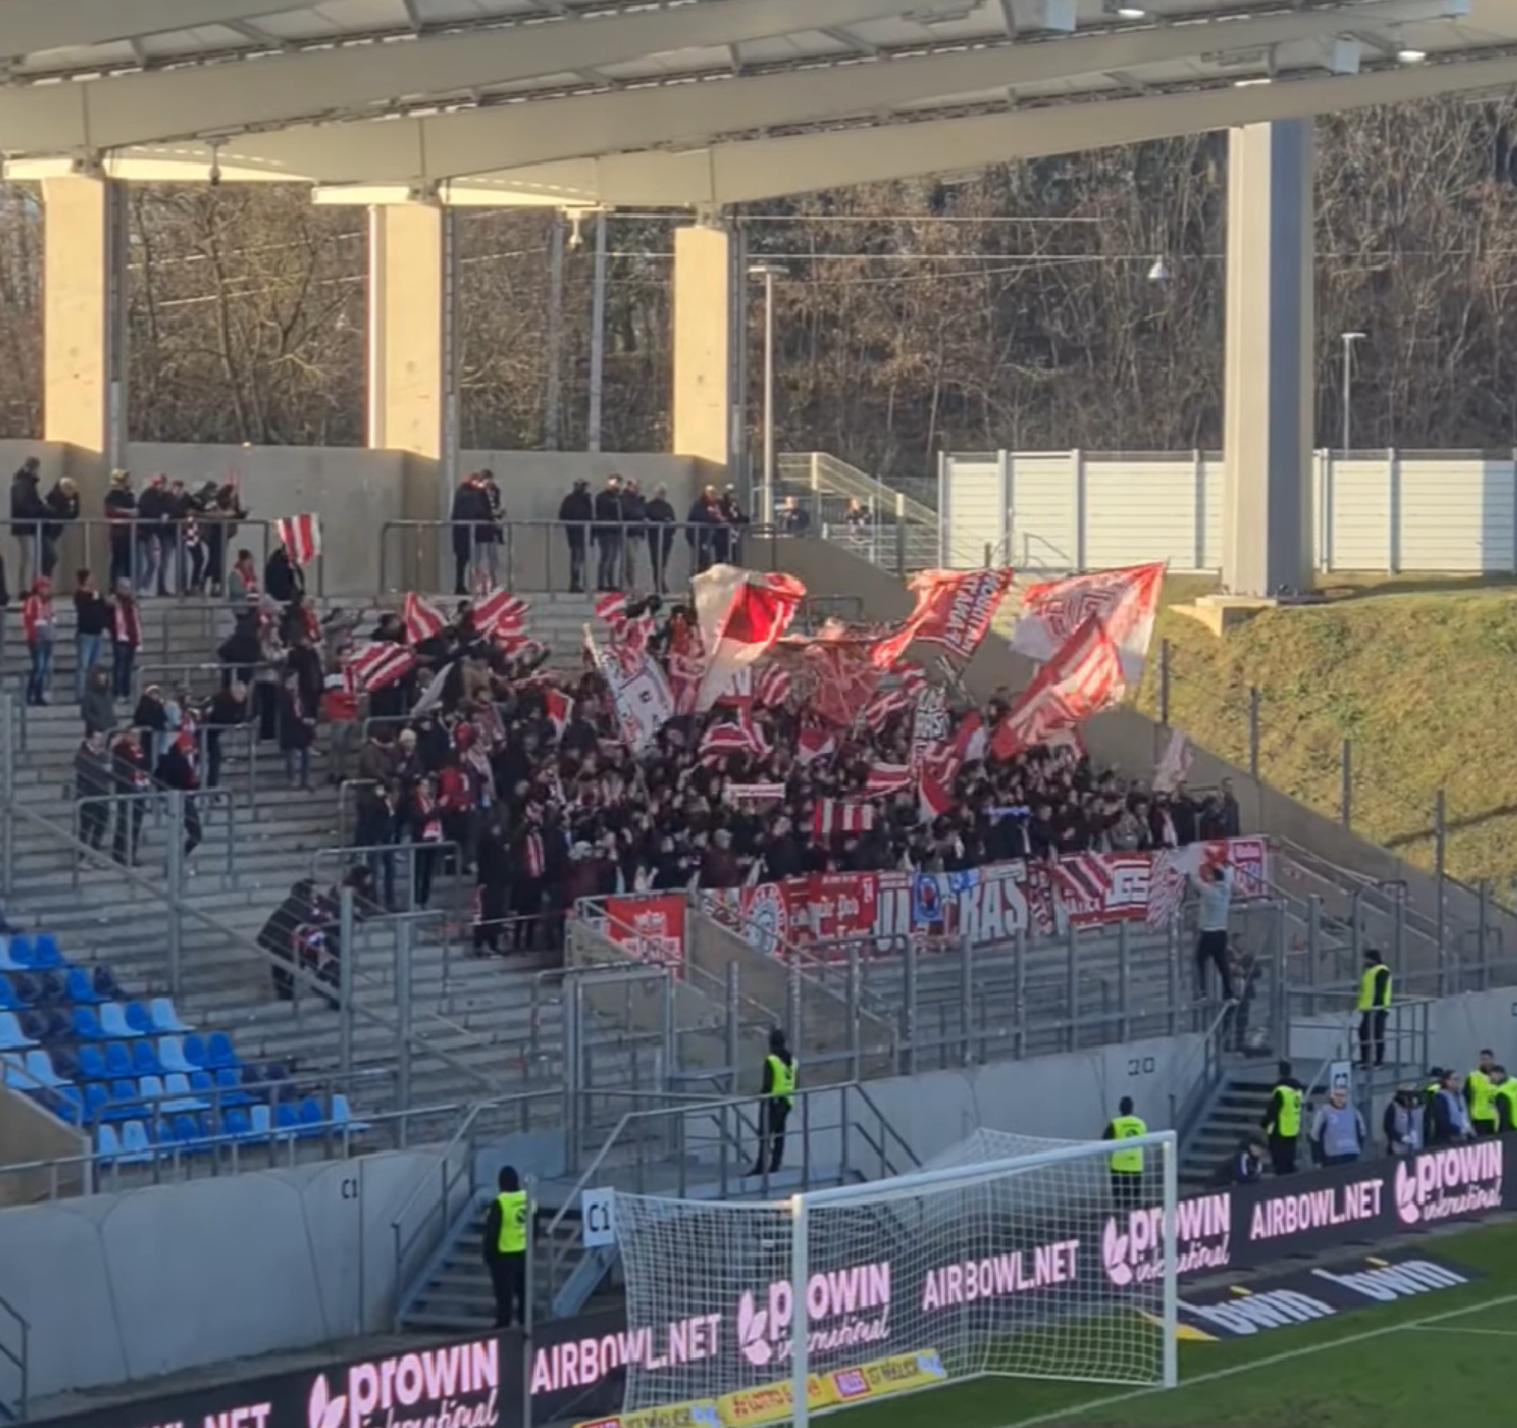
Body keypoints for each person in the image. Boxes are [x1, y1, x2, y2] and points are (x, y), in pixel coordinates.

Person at [481, 1166, 529, 1328]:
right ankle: (525, 1324)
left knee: (504, 1296)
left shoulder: (500, 1203)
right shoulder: (528, 1198)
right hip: (524, 1254)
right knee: (523, 1293)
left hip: (503, 1256)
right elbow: (535, 1224)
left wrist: (488, 1255)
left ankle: (503, 1328)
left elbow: (492, 1233)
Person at [750, 1027, 796, 1177]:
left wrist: (761, 1097)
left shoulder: (772, 1060)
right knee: (779, 1135)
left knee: (765, 1135)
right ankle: (775, 1165)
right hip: (787, 1101)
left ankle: (760, 1166)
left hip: (773, 1102)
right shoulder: (793, 1061)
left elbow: (768, 1084)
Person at [1191, 860, 1234, 1001]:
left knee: (1199, 960)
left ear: (1213, 878)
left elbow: (1195, 881)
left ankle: (1202, 991)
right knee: (1222, 963)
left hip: (1209, 932)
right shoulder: (1226, 890)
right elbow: (1228, 875)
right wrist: (1220, 864)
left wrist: (1193, 867)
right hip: (1222, 932)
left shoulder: (1209, 891)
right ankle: (1229, 992)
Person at [109, 727, 149, 866]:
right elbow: (120, 769)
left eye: (138, 735)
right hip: (126, 788)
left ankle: (131, 853)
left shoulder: (140, 749)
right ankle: (119, 852)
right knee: (124, 822)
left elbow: (146, 765)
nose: (136, 738)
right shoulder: (121, 749)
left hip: (140, 788)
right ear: (126, 735)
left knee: (136, 823)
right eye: (133, 735)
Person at [1102, 1095, 1147, 1210]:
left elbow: (1105, 1139)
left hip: (1119, 1167)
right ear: (1132, 1108)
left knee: (1120, 1199)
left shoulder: (1115, 1123)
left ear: (1120, 1109)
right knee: (1134, 1200)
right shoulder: (1141, 1123)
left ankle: (1121, 1221)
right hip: (1136, 1166)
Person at [1260, 1059, 1304, 1175]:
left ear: (1279, 1073)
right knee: (1289, 1162)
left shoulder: (1280, 1090)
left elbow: (1273, 1111)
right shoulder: (1298, 1090)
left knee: (1279, 1163)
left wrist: (1264, 1123)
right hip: (1293, 1129)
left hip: (1279, 1130)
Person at [72, 569, 109, 705]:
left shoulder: (97, 594)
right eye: (89, 577)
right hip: (85, 633)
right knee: (83, 664)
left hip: (97, 632)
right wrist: (94, 598)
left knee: (95, 666)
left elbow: (103, 606)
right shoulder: (79, 595)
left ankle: (94, 692)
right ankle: (81, 694)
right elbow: (84, 607)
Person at [450, 472, 489, 596]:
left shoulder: (462, 492)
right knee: (465, 560)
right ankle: (465, 585)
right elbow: (477, 510)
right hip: (465, 532)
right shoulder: (469, 494)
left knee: (462, 561)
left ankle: (461, 584)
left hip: (463, 531)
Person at [9, 456, 45, 589]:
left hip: (26, 524)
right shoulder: (23, 483)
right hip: (25, 525)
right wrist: (39, 509)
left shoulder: (23, 482)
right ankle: (26, 588)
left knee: (29, 557)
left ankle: (27, 586)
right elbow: (24, 504)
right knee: (29, 557)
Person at [74, 730, 112, 851]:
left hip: (103, 792)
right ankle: (81, 856)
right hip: (88, 793)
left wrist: (109, 769)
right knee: (86, 826)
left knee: (101, 825)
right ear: (88, 739)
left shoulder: (103, 754)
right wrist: (101, 767)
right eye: (96, 738)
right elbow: (84, 772)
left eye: (100, 739)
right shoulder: (82, 754)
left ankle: (95, 851)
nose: (99, 742)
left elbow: (109, 774)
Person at [1309, 1086, 1366, 1167]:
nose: (1340, 1098)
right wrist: (1317, 1160)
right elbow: (1315, 1136)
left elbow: (1361, 1133)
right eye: (1337, 1095)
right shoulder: (1324, 1112)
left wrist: (1359, 1150)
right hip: (1331, 1158)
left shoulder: (1354, 1112)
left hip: (1351, 1155)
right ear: (1332, 1096)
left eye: (1343, 1096)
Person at [278, 673, 315, 791]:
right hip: (289, 728)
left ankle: (305, 779)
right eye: (292, 679)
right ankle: (291, 779)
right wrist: (301, 719)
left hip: (301, 729)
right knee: (290, 755)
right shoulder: (282, 695)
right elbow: (285, 713)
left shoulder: (300, 695)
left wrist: (307, 719)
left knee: (306, 754)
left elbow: (305, 708)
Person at [1356, 947, 1392, 1068]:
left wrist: (1377, 1008)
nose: (1364, 961)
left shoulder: (1382, 970)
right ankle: (1365, 1059)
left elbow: (1380, 990)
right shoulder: (1370, 971)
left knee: (1377, 1034)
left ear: (1373, 959)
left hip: (1378, 1009)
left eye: (1367, 959)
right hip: (1368, 1009)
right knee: (1364, 1033)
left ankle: (1379, 1061)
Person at [22, 576, 53, 706]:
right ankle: (31, 694)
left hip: (47, 637)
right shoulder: (32, 601)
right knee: (38, 667)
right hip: (36, 638)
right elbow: (28, 619)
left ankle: (39, 695)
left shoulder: (48, 602)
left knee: (44, 668)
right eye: (44, 587)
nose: (46, 590)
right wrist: (33, 635)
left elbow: (52, 617)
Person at [109, 580, 142, 702]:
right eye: (123, 588)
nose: (126, 590)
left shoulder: (132, 603)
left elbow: (136, 620)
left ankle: (126, 692)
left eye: (128, 588)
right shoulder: (114, 601)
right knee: (120, 666)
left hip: (131, 637)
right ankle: (118, 692)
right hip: (120, 638)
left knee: (128, 667)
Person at [136, 474, 169, 595]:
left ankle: (143, 587)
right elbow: (147, 509)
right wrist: (160, 515)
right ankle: (138, 588)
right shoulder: (148, 494)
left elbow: (169, 506)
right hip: (141, 533)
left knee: (152, 562)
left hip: (149, 533)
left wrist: (165, 513)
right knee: (140, 563)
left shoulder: (162, 496)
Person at [557, 479, 592, 593]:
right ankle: (574, 583)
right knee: (576, 558)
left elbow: (590, 515)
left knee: (580, 558)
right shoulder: (570, 499)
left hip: (583, 533)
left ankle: (578, 582)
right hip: (574, 532)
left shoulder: (586, 500)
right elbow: (563, 515)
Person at [104, 470, 137, 589]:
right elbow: (111, 511)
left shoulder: (129, 495)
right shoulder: (112, 495)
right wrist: (128, 512)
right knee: (117, 561)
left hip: (129, 533)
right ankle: (113, 587)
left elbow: (136, 510)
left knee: (129, 561)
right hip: (118, 533)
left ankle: (128, 587)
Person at [593, 474, 624, 593]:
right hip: (605, 531)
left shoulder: (619, 498)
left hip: (616, 531)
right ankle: (601, 582)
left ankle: (611, 582)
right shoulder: (602, 497)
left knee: (613, 557)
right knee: (606, 556)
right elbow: (602, 511)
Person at [1428, 1069, 1475, 1144]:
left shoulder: (1461, 1097)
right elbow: (1442, 1121)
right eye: (1455, 1079)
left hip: (1463, 1137)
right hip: (1448, 1139)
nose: (1458, 1082)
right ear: (1447, 1081)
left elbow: (1464, 1115)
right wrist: (1459, 1130)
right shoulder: (1441, 1097)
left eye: (1458, 1079)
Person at [646, 484, 676, 594]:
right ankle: (659, 585)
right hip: (655, 538)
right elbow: (648, 517)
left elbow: (673, 521)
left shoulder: (668, 506)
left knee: (663, 563)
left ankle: (661, 583)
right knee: (656, 563)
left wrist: (669, 524)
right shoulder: (650, 506)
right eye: (661, 492)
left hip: (666, 539)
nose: (662, 495)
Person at [1465, 1048, 1499, 1136]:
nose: (1485, 1062)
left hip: (1497, 1117)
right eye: (1483, 1059)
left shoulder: (1499, 1075)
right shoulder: (1473, 1077)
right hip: (1479, 1118)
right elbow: (1467, 1098)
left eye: (1487, 1059)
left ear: (1492, 1059)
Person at [621, 478, 647, 589]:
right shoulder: (625, 499)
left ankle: (633, 584)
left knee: (634, 561)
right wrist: (639, 516)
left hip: (638, 533)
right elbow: (628, 512)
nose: (636, 489)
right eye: (634, 486)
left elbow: (643, 512)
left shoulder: (638, 500)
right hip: (629, 533)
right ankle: (629, 584)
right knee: (630, 560)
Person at [1384, 1086, 1424, 1156]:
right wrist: (1401, 1137)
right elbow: (1388, 1127)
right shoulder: (1393, 1107)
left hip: (1413, 1149)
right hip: (1397, 1150)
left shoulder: (1412, 1109)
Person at [81, 667, 115, 738]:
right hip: (95, 731)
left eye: (104, 679)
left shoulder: (108, 694)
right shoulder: (89, 695)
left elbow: (109, 711)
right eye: (100, 680)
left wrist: (112, 723)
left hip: (109, 730)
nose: (102, 681)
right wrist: (98, 724)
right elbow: (85, 713)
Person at [1493, 1066, 1517, 1134]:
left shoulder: (1501, 1092)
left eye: (1493, 1075)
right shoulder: (1514, 1081)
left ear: (1500, 1074)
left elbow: (1503, 1115)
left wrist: (1501, 1131)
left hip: (1511, 1127)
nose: (1492, 1078)